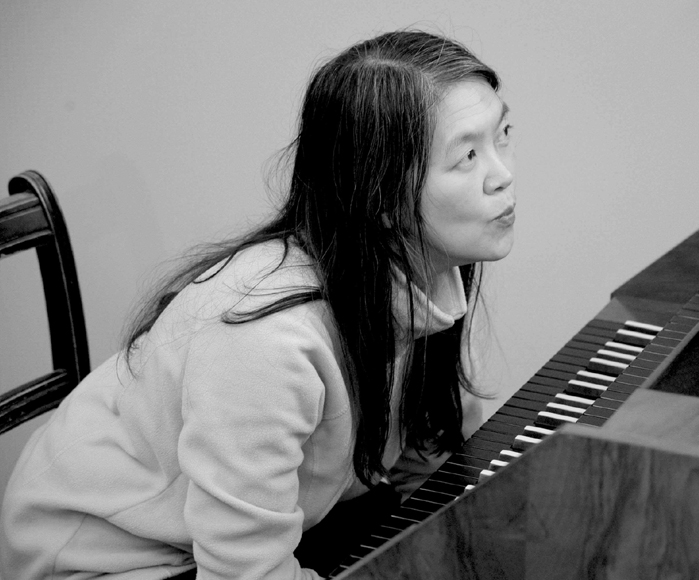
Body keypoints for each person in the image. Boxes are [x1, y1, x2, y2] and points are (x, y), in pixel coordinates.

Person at [0, 29, 516, 580]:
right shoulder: (266, 343)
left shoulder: (429, 281)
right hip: (111, 557)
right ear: (380, 196)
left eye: (503, 135)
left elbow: (430, 467)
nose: (503, 175)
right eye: (467, 155)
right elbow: (245, 575)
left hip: (240, 535)